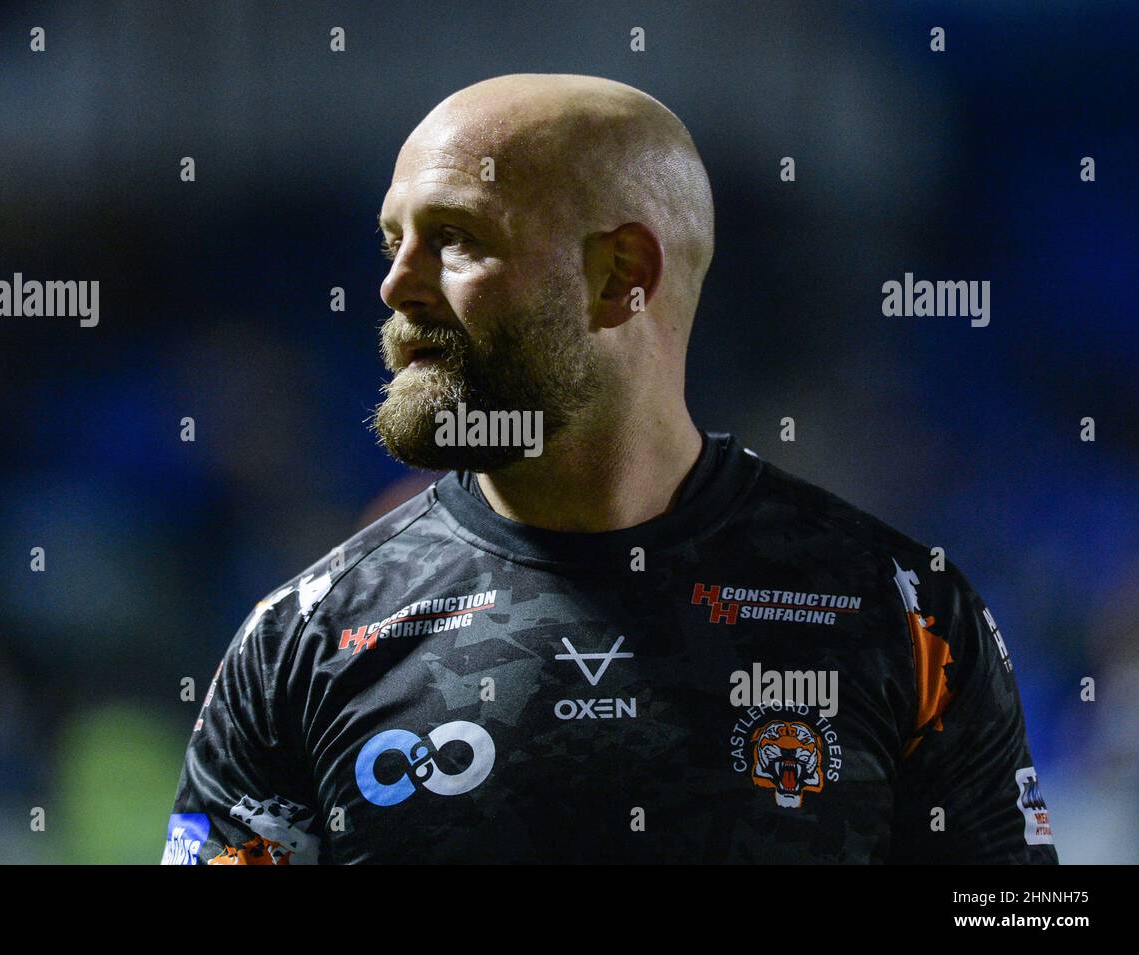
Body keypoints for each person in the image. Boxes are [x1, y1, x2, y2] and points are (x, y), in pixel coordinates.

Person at [162, 73, 1057, 864]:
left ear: (621, 274)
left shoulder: (901, 614)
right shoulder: (305, 641)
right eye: (392, 239)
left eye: (455, 238)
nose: (397, 284)